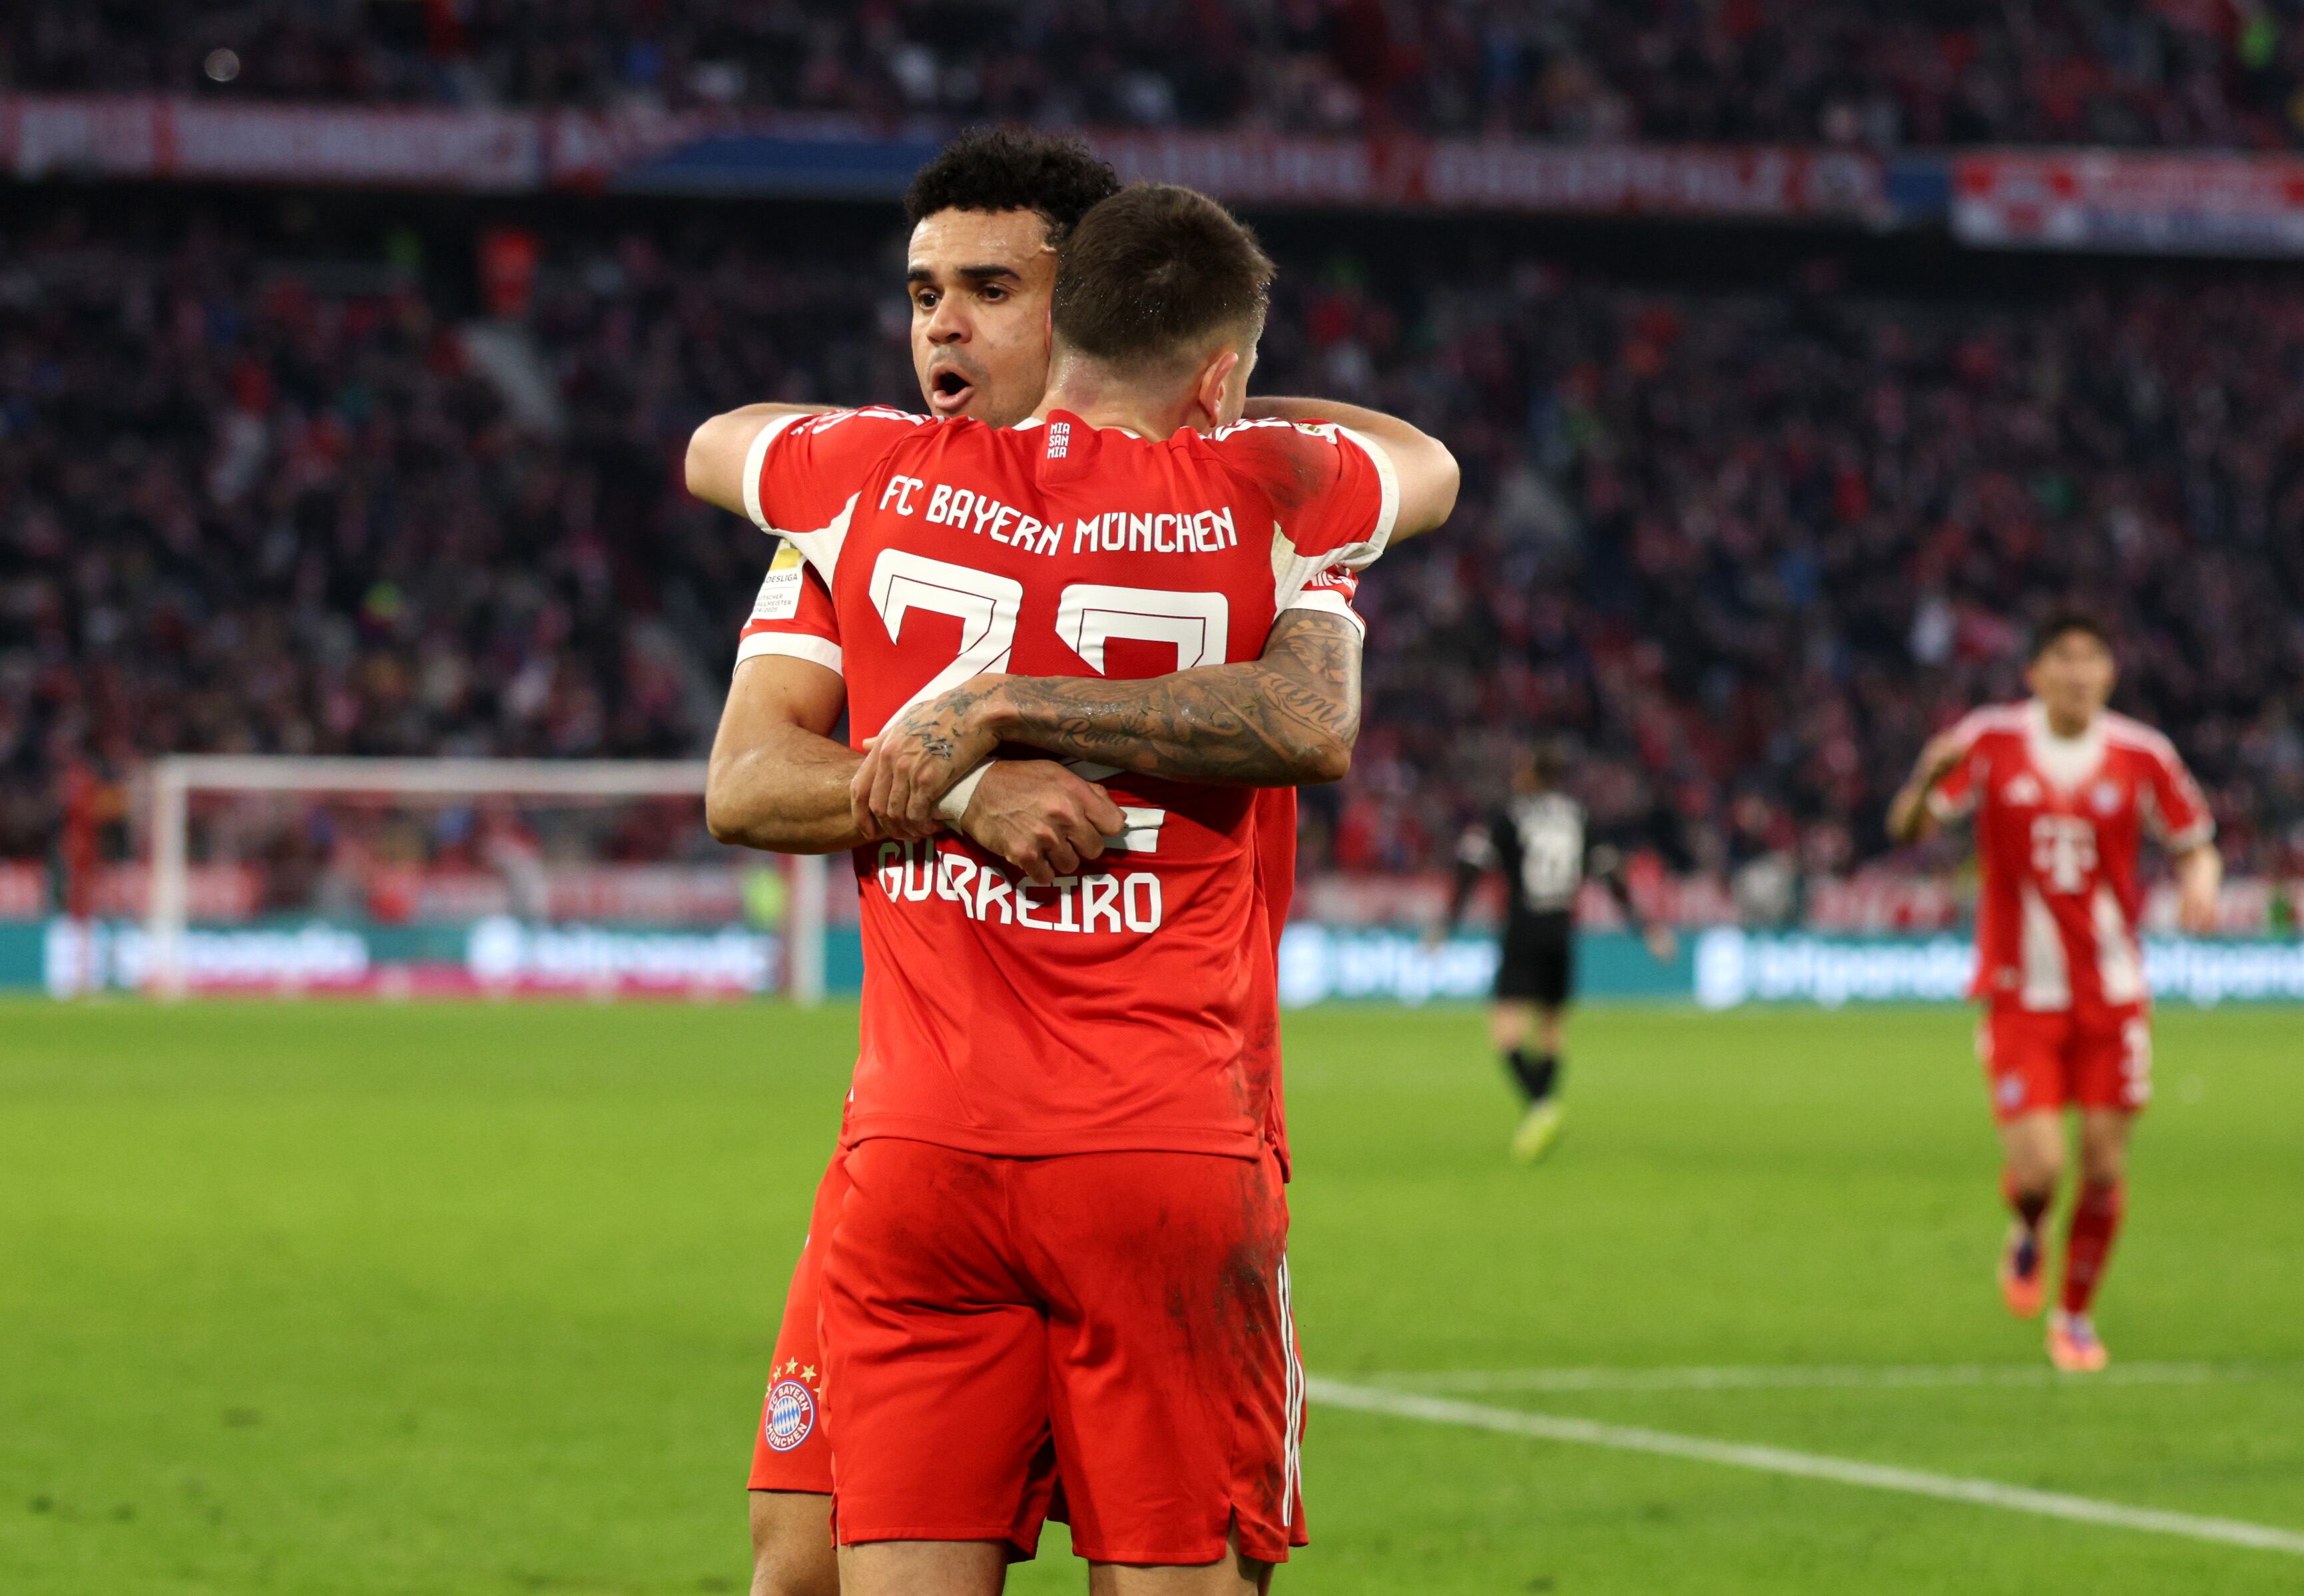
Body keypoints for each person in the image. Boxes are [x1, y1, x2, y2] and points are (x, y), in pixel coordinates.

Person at [721, 181, 1456, 1594]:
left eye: (991, 290)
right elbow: (746, 782)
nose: (944, 323)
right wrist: (958, 780)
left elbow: (717, 443)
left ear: (1076, 311)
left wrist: (975, 714)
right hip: (1050, 1133)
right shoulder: (1260, 506)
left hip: (998, 1130)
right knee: (797, 1554)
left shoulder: (859, 491)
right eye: (925, 288)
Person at [1887, 611, 2221, 1372]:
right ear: (2033, 674)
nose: (2079, 674)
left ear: (2109, 673)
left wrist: (2199, 886)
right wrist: (1922, 784)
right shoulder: (1990, 740)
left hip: (2112, 991)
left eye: (2093, 659)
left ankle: (2073, 1317)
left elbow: (2194, 843)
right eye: (2063, 659)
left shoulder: (2143, 754)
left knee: (2103, 1166)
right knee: (2039, 1170)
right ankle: (2028, 1227)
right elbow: (1907, 828)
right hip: (2018, 991)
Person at [1433, 740, 1676, 1162]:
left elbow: (1471, 867)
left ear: (1532, 774)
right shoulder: (1578, 816)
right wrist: (1647, 928)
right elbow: (1610, 875)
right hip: (1561, 932)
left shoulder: (1509, 814)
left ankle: (1541, 1108)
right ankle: (1542, 1112)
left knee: (1505, 1033)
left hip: (1523, 930)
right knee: (1550, 1030)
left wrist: (1445, 923)